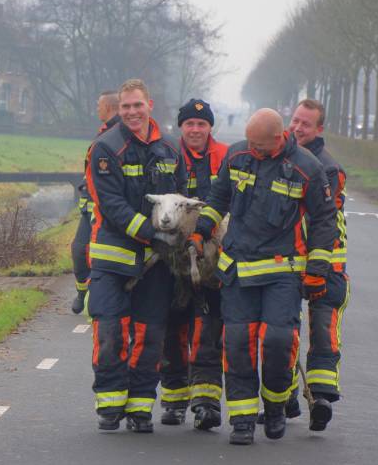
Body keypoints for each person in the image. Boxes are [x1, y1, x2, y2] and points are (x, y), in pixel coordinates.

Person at [194, 108, 337, 445]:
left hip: (281, 274)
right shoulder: (238, 154)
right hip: (238, 272)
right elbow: (220, 197)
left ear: (279, 137)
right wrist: (202, 229)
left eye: (259, 146)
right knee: (238, 344)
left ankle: (274, 407)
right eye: (250, 144)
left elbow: (324, 220)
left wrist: (317, 270)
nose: (253, 150)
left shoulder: (307, 169)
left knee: (278, 343)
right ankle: (242, 419)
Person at [86, 79, 186, 432]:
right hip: (114, 257)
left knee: (150, 334)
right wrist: (151, 232)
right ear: (119, 109)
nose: (131, 112)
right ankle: (110, 404)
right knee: (110, 330)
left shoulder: (170, 151)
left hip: (157, 263)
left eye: (137, 106)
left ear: (149, 106)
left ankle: (140, 407)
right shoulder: (104, 148)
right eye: (126, 107)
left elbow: (183, 195)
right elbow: (110, 204)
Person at [159, 99, 229, 431]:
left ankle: (206, 403)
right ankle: (173, 401)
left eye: (201, 124)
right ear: (181, 127)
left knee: (209, 328)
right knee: (173, 327)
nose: (196, 130)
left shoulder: (226, 157)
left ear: (210, 127)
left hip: (213, 257)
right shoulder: (167, 157)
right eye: (190, 124)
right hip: (172, 258)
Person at [287, 98, 349, 431]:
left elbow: (320, 219)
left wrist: (318, 267)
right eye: (294, 121)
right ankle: (285, 396)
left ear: (319, 129)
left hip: (327, 263)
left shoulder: (328, 169)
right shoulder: (280, 157)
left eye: (305, 124)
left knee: (323, 333)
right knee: (284, 330)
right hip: (290, 261)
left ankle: (321, 398)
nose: (297, 128)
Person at [71, 91, 120, 314]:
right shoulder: (103, 133)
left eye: (98, 104)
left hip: (106, 212)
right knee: (79, 250)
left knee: (97, 254)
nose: (96, 108)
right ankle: (82, 291)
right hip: (88, 209)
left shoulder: (116, 136)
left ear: (109, 106)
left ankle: (96, 295)